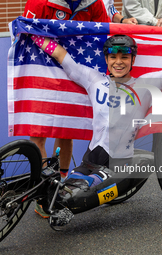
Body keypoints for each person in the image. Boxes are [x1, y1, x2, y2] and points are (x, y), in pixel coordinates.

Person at [30, 33, 162, 192]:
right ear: (106, 60)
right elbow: (61, 56)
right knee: (55, 190)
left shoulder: (145, 85)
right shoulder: (94, 80)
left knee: (72, 195)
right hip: (90, 160)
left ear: (132, 60)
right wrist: (31, 34)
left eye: (124, 57)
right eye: (113, 57)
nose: (118, 62)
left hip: (118, 165)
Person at [22, 0, 110, 218]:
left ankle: (59, 185)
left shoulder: (95, 3)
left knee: (65, 130)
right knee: (38, 134)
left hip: (73, 67)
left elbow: (105, 35)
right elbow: (24, 33)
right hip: (42, 67)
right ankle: (43, 192)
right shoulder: (39, 2)